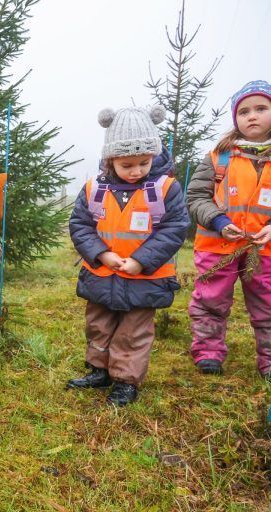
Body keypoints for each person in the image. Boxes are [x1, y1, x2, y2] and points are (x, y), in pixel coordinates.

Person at [67, 105, 189, 406]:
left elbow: (175, 228)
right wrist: (101, 254)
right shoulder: (94, 188)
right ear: (111, 160)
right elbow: (80, 225)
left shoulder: (165, 189)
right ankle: (99, 370)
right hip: (101, 273)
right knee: (98, 324)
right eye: (127, 164)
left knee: (133, 331)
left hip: (144, 278)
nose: (136, 170)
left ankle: (125, 381)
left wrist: (141, 260)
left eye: (143, 163)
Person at [187, 80, 271, 378]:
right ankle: (208, 353)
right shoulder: (218, 156)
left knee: (268, 306)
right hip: (216, 247)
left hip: (265, 251)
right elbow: (195, 197)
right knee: (210, 300)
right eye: (244, 111)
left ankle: (269, 361)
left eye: (261, 108)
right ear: (235, 118)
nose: (252, 116)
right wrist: (219, 222)